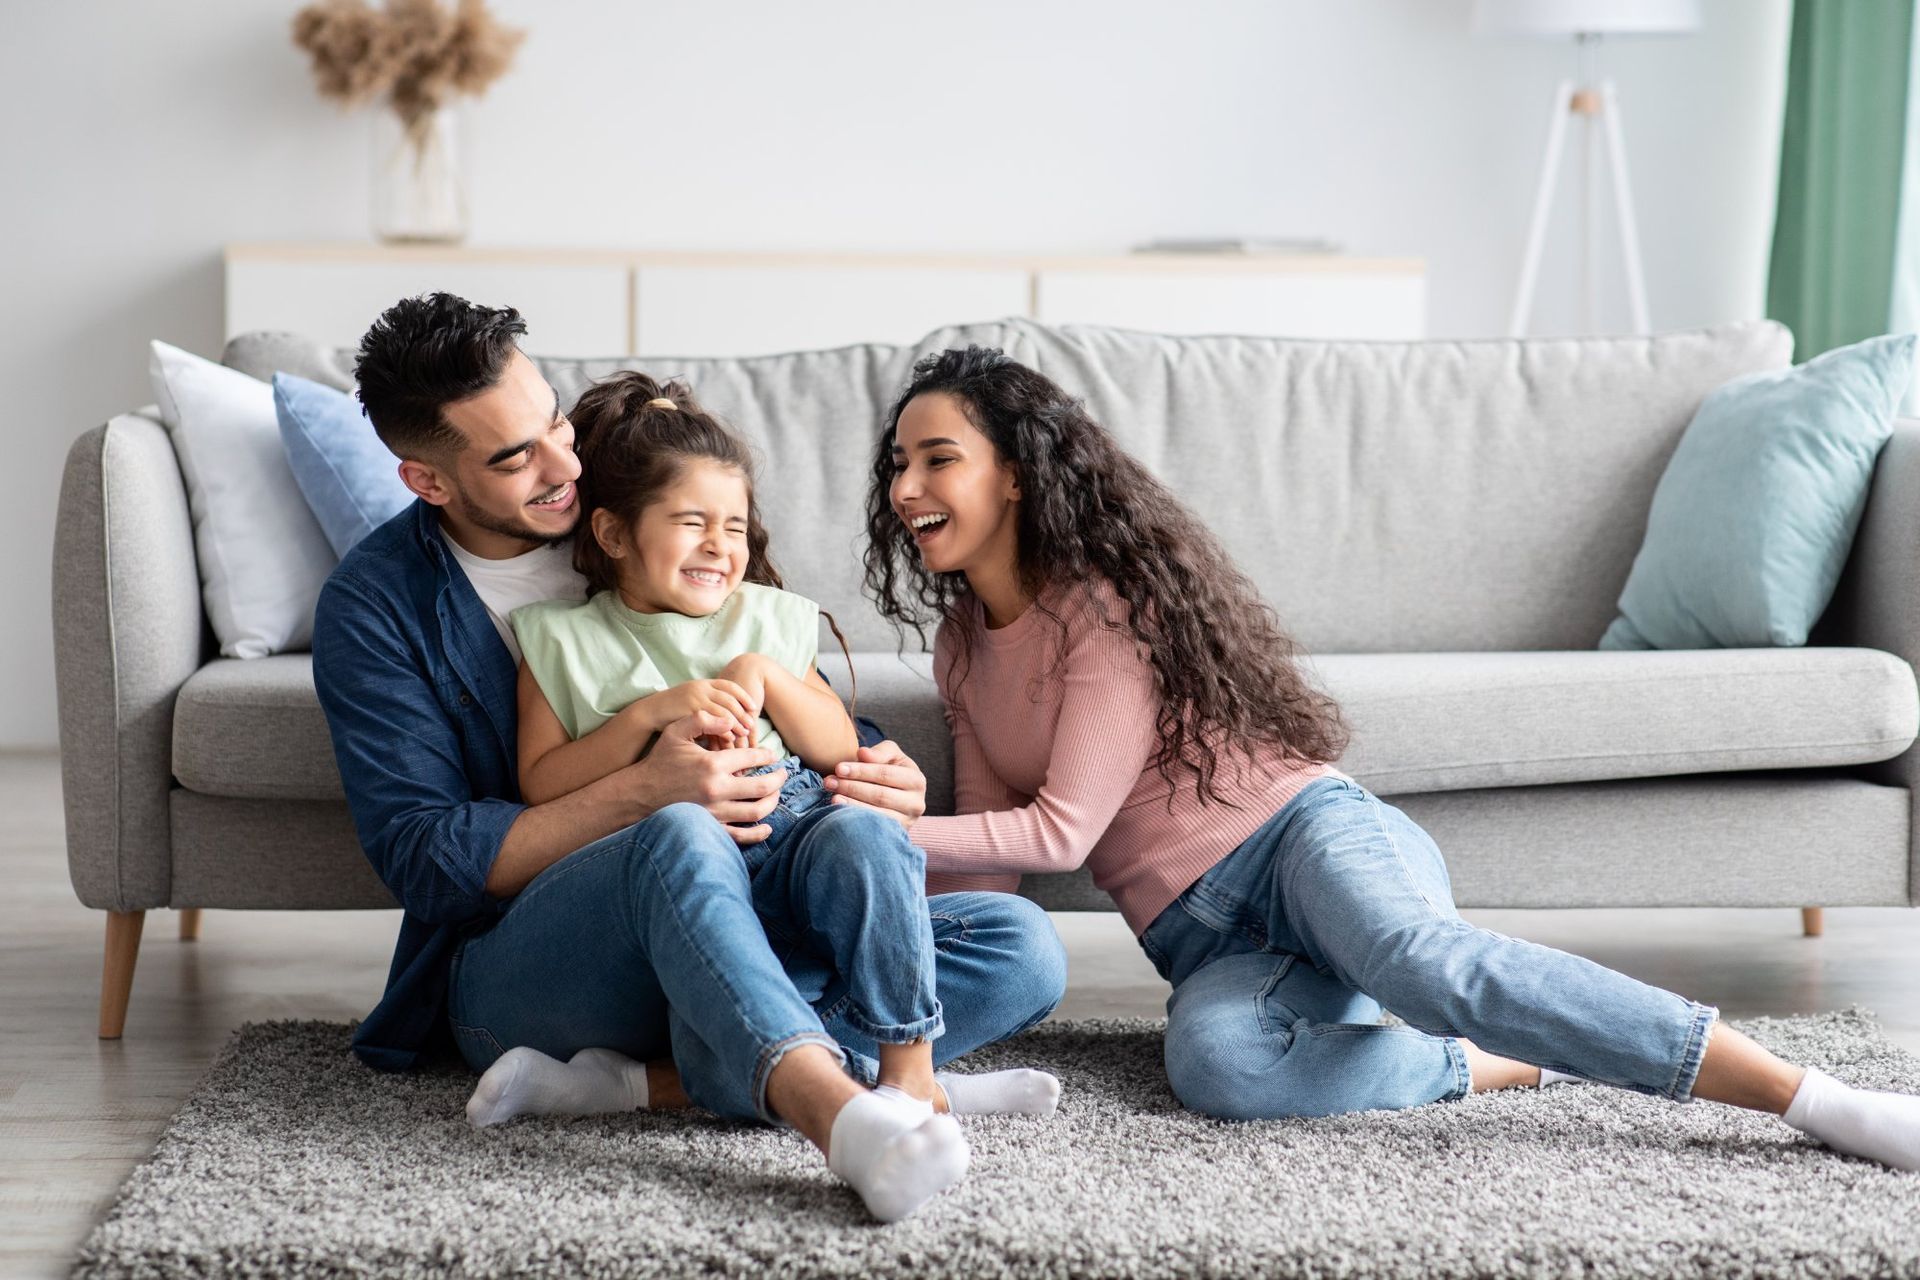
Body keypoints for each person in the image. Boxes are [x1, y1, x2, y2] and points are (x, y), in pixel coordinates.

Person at [849, 343, 1920, 1172]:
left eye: (938, 457)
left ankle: (1809, 1096)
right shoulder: (958, 648)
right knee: (1216, 1062)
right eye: (898, 461)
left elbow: (1062, 830)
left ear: (1020, 477)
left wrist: (885, 826)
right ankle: (1488, 1060)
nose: (906, 485)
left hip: (1300, 835)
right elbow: (998, 875)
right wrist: (852, 876)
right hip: (1203, 935)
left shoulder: (1099, 602)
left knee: (1423, 964)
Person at [312, 296, 1066, 1222]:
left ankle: (656, 1081)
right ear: (428, 481)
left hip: (753, 913)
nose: (564, 468)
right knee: (680, 833)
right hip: (551, 961)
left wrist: (872, 771)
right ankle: (843, 1119)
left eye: (553, 420)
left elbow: (785, 710)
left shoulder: (645, 491)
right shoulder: (376, 609)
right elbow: (430, 860)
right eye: (515, 458)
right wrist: (642, 788)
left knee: (1017, 943)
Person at [505, 371, 1061, 1133]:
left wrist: (764, 675)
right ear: (612, 533)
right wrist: (648, 717)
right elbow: (540, 782)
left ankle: (903, 1074)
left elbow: (836, 747)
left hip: (806, 853)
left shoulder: (766, 620)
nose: (718, 545)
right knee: (730, 947)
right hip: (693, 893)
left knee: (1019, 939)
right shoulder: (561, 640)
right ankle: (846, 1078)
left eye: (734, 526)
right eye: (691, 521)